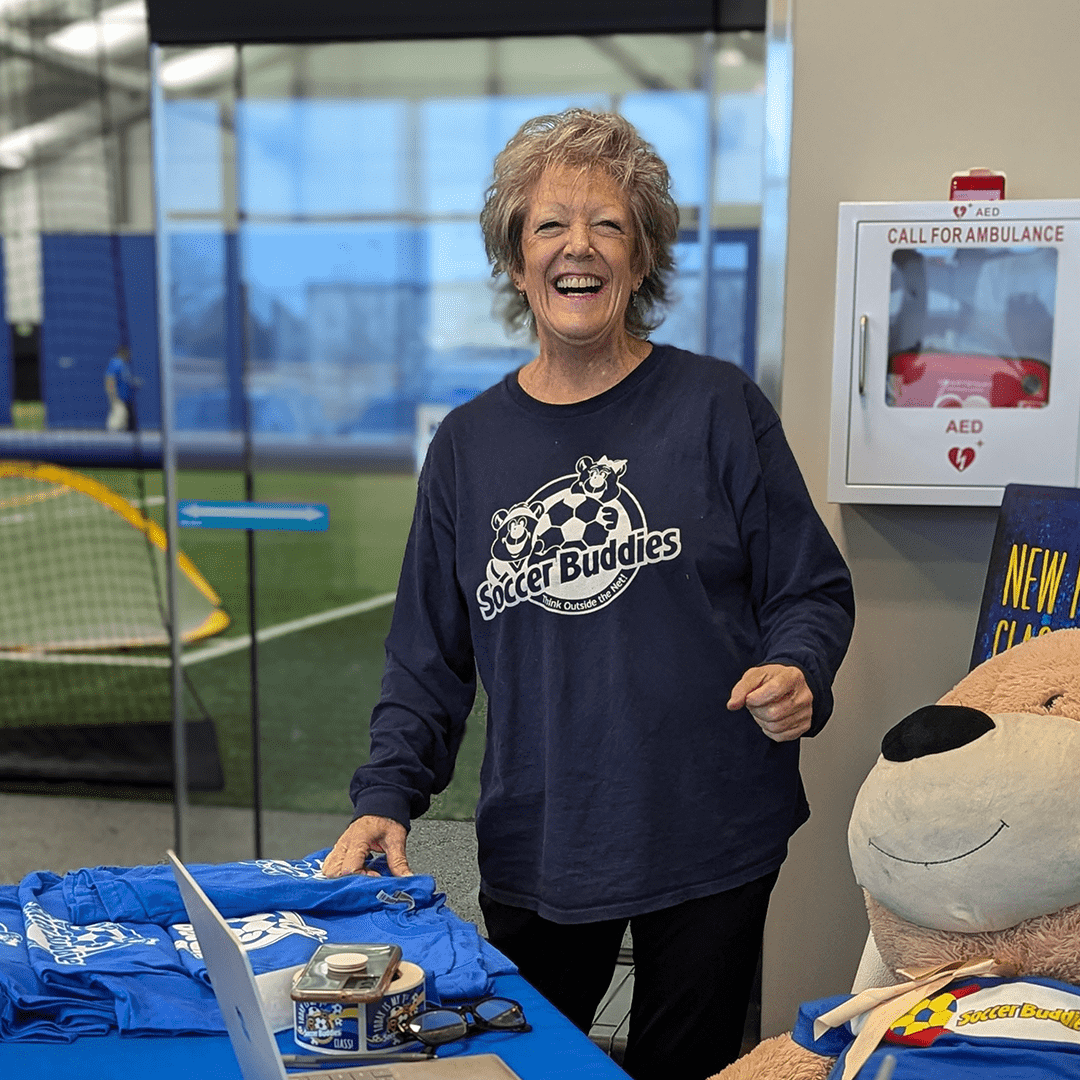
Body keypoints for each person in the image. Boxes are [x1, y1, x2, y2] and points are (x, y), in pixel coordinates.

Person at [324, 109, 855, 1080]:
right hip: (544, 833)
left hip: (713, 825)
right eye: (550, 225)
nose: (580, 247)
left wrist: (798, 665)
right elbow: (426, 658)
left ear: (643, 256)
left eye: (609, 225)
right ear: (516, 258)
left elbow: (810, 586)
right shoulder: (469, 448)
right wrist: (387, 797)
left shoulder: (717, 407)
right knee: (535, 1067)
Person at [104, 345, 140, 431]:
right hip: (118, 398)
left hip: (124, 398)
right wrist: (113, 396)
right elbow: (109, 379)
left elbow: (127, 379)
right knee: (118, 415)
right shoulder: (115, 363)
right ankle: (112, 438)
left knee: (123, 418)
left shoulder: (124, 365)